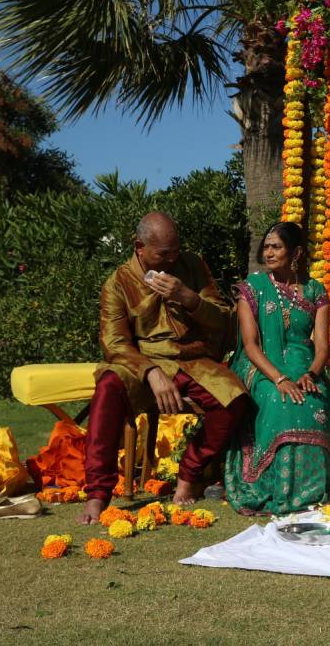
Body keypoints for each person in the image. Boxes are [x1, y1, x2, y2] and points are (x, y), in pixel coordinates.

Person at [81, 212, 247, 525]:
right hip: (140, 363)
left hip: (191, 360)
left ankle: (189, 474)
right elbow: (114, 344)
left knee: (234, 401)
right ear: (139, 246)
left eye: (176, 251)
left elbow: (223, 318)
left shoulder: (193, 266)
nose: (172, 260)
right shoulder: (117, 283)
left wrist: (187, 297)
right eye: (163, 254)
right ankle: (97, 494)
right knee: (107, 387)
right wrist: (151, 372)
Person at [223, 222, 330, 515]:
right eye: (267, 246)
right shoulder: (252, 289)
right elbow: (250, 345)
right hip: (261, 366)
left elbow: (322, 346)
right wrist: (279, 378)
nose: (268, 252)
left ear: (296, 252)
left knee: (315, 402)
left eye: (276, 247)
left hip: (305, 367)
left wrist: (311, 374)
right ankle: (274, 488)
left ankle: (314, 490)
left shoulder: (315, 290)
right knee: (280, 401)